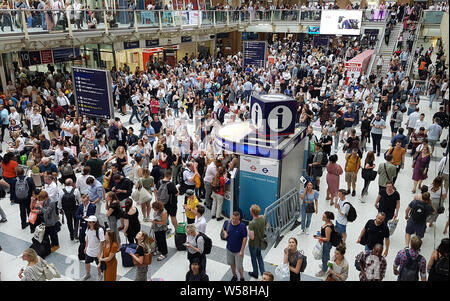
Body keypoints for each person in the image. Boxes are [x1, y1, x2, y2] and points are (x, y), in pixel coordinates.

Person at [223, 211, 248, 281]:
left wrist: (242, 251)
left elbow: (245, 238)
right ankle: (234, 276)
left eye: (236, 219)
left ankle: (242, 277)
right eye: (233, 218)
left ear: (239, 219)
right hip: (229, 249)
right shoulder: (228, 223)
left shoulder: (242, 226)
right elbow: (224, 229)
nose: (234, 220)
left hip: (238, 251)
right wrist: (225, 233)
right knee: (231, 264)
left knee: (239, 267)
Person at [81, 215, 105, 281]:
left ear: (94, 222)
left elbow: (102, 242)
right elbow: (87, 237)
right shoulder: (88, 228)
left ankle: (100, 274)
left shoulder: (99, 230)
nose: (88, 223)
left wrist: (100, 253)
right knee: (86, 262)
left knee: (98, 265)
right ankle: (88, 274)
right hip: (89, 250)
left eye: (89, 222)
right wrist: (86, 247)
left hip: (97, 251)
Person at [247, 204, 266, 279]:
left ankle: (255, 273)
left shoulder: (252, 223)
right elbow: (265, 225)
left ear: (252, 212)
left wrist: (247, 229)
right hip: (260, 242)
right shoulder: (263, 217)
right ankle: (263, 274)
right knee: (259, 257)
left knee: (253, 258)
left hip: (253, 244)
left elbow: (251, 237)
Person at [314, 211, 335, 278]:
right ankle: (326, 265)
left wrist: (318, 237)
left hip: (327, 244)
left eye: (324, 217)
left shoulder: (328, 227)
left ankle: (324, 269)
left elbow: (327, 239)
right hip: (326, 243)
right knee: (327, 255)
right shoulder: (327, 224)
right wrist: (320, 234)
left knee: (325, 257)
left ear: (328, 218)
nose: (322, 217)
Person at [157, 169, 178, 233]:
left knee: (164, 216)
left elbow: (157, 191)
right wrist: (177, 188)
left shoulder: (159, 182)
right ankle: (176, 230)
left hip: (162, 203)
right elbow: (176, 193)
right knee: (173, 217)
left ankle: (164, 229)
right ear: (170, 176)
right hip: (171, 204)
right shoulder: (171, 184)